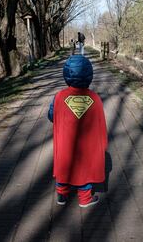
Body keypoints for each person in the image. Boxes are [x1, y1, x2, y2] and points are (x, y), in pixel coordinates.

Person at [47, 55, 107, 208]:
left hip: (65, 142)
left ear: (66, 74)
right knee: (85, 167)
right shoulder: (94, 98)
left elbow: (51, 116)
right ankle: (85, 198)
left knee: (64, 165)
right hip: (86, 143)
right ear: (89, 75)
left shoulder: (59, 97)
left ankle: (62, 194)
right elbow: (99, 122)